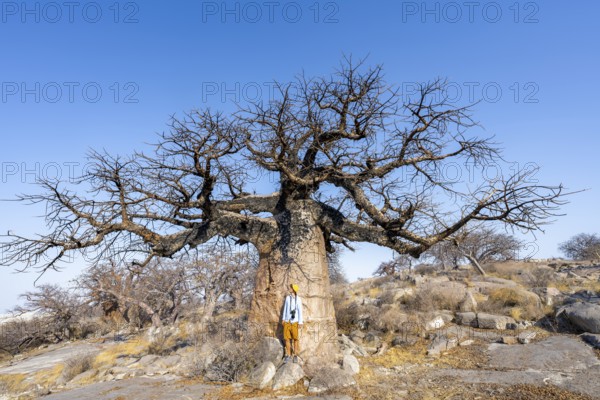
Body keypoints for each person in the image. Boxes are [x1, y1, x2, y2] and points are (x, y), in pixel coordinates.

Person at [282, 283, 303, 363]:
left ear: (294, 289)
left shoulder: (298, 299)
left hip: (295, 321)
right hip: (287, 321)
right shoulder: (287, 298)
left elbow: (300, 311)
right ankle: (288, 355)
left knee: (295, 339)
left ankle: (295, 355)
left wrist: (300, 322)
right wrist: (283, 319)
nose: (289, 289)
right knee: (286, 339)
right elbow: (285, 309)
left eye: (291, 288)